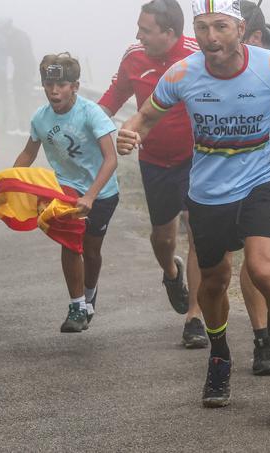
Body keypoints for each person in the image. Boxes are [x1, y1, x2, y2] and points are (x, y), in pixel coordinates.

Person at [117, 0, 270, 408]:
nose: (211, 37)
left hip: (264, 178)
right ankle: (220, 355)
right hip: (210, 191)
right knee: (214, 280)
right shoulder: (182, 73)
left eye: (221, 27)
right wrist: (129, 133)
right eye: (203, 27)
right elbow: (144, 117)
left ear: (241, 30)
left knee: (264, 268)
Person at [99, 0, 208, 349]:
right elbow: (110, 102)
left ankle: (195, 316)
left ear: (170, 33)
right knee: (162, 239)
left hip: (197, 157)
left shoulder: (197, 55)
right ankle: (172, 273)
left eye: (145, 30)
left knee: (198, 231)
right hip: (155, 161)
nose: (138, 35)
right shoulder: (135, 57)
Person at [14, 54, 119, 332]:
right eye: (49, 84)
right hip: (65, 190)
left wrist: (91, 197)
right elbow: (28, 153)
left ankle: (89, 293)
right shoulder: (40, 118)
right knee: (70, 240)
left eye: (60, 84)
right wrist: (9, 183)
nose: (53, 90)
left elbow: (111, 159)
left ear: (75, 86)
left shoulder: (90, 113)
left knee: (92, 251)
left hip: (102, 191)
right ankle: (76, 307)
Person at [237, 0, 270, 376]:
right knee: (257, 262)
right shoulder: (219, 66)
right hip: (251, 175)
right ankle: (263, 340)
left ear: (252, 36)